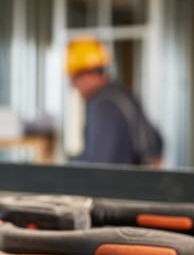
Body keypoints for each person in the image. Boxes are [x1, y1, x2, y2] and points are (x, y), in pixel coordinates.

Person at [66, 37, 163, 166]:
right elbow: (156, 144)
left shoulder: (104, 106)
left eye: (74, 78)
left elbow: (99, 164)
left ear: (90, 74)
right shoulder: (122, 96)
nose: (73, 86)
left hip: (121, 184)